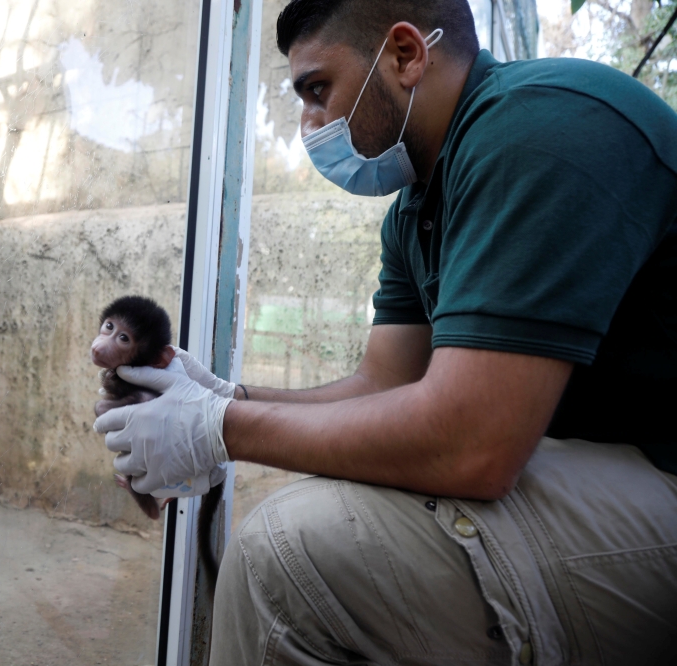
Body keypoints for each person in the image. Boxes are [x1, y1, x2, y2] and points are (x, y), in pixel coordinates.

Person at [93, 0, 677, 663]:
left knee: (288, 560)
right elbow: (384, 384)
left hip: (661, 472)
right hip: (597, 470)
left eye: (318, 89)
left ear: (405, 55)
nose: (308, 125)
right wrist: (227, 398)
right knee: (330, 509)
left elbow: (471, 444)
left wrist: (217, 429)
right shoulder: (416, 207)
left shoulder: (539, 128)